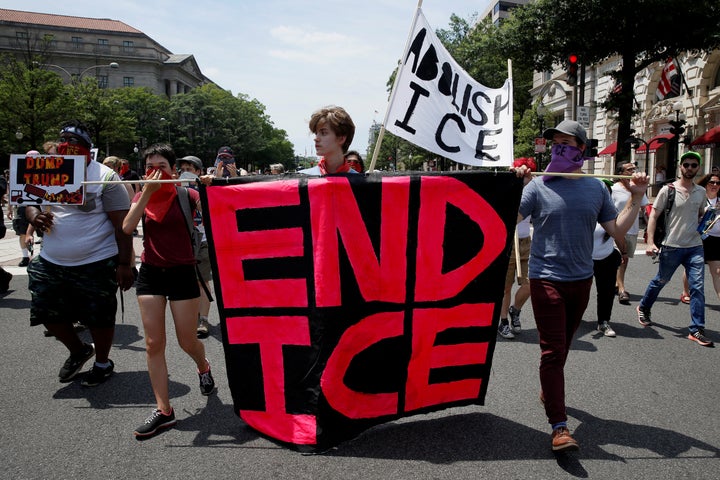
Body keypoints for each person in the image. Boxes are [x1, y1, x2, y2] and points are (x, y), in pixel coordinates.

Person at [515, 120, 648, 452]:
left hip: (581, 280)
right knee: (552, 350)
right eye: (554, 141)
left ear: (582, 150)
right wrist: (512, 185)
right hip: (545, 278)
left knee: (562, 349)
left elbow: (617, 231)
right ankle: (559, 426)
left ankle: (550, 390)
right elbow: (507, 219)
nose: (559, 147)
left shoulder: (596, 187)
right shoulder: (537, 187)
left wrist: (637, 196)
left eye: (567, 142)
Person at [26, 120, 134, 386]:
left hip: (96, 261)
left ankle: (102, 362)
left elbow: (122, 227)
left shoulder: (105, 177)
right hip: (51, 259)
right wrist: (35, 216)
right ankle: (79, 351)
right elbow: (29, 200)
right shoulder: (47, 171)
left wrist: (124, 264)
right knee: (45, 313)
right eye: (62, 139)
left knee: (99, 317)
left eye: (73, 141)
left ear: (86, 147)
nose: (65, 145)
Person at [122, 144, 216, 438]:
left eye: (161, 166)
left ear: (174, 169)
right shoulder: (143, 195)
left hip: (182, 273)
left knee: (187, 340)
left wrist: (210, 189)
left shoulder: (187, 194)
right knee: (153, 343)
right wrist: (147, 192)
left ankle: (203, 365)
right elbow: (127, 227)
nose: (155, 171)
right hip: (150, 273)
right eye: (150, 166)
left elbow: (218, 216)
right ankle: (164, 410)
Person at [638, 151, 711, 346]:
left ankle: (697, 329)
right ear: (680, 167)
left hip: (695, 246)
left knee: (697, 288)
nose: (689, 168)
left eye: (693, 165)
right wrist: (650, 242)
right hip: (671, 245)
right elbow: (653, 216)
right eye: (686, 164)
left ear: (698, 168)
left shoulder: (701, 192)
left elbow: (701, 215)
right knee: (661, 280)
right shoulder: (667, 190)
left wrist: (710, 218)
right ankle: (644, 307)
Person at [498, 158, 536, 339]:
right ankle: (503, 321)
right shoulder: (507, 187)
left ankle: (515, 310)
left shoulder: (535, 188)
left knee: (530, 284)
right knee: (505, 287)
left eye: (530, 171)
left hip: (525, 241)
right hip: (508, 240)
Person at [177, 155, 214, 338]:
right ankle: (191, 316)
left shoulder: (205, 187)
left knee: (202, 280)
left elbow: (213, 208)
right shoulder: (175, 187)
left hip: (203, 240)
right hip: (182, 241)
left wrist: (209, 185)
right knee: (186, 282)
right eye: (182, 169)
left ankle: (203, 319)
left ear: (199, 172)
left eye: (190, 169)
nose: (185, 172)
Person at [592, 180, 627, 337]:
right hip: (583, 259)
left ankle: (603, 322)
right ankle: (571, 318)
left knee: (606, 292)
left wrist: (623, 252)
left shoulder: (612, 214)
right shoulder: (584, 211)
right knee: (577, 292)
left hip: (606, 258)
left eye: (605, 192)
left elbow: (618, 235)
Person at [612, 161, 649, 304]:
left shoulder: (639, 188)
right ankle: (621, 288)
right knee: (620, 257)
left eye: (634, 169)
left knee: (624, 259)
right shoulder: (613, 189)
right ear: (620, 174)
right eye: (629, 170)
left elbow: (645, 208)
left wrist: (650, 230)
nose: (633, 171)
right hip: (614, 230)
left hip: (632, 230)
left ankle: (617, 282)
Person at [299, 106, 356, 175]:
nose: (316, 138)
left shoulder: (361, 183)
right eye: (316, 133)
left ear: (341, 138)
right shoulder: (303, 179)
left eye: (323, 133)